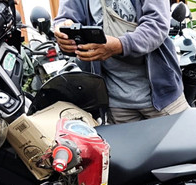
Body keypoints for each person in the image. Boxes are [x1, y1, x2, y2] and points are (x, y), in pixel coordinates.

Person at [53, 0, 187, 124]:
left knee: (180, 141)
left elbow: (157, 24)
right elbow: (65, 19)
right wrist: (63, 31)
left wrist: (120, 45)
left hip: (163, 98)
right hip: (116, 104)